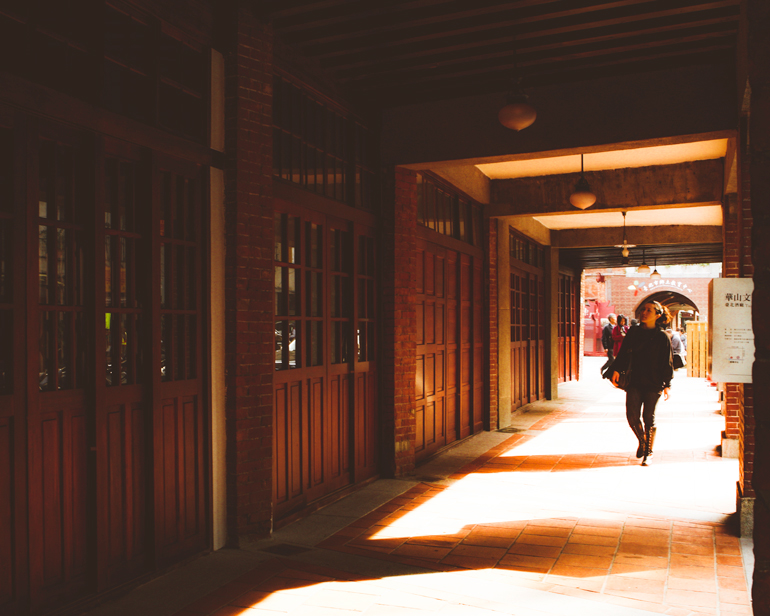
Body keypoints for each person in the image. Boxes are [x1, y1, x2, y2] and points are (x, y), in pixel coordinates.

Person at [611, 301, 673, 466]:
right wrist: (616, 369)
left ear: (658, 315)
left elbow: (667, 362)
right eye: (643, 309)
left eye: (649, 310)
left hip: (654, 382)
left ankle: (648, 453)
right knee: (632, 415)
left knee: (648, 417)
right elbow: (624, 352)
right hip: (635, 380)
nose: (644, 312)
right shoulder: (634, 332)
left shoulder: (662, 337)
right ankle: (643, 442)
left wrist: (667, 384)